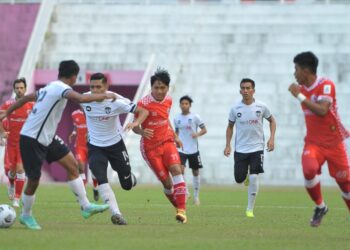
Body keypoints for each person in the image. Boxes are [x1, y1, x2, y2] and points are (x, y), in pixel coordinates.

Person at [0, 60, 115, 230]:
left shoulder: (49, 87)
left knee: (73, 166)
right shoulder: (61, 88)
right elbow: (81, 98)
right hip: (32, 138)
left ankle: (85, 206)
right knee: (34, 179)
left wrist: (8, 112)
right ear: (74, 76)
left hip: (47, 137)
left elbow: (29, 96)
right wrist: (106, 95)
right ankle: (26, 215)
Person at [288, 51, 350, 227]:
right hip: (314, 143)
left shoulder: (326, 85)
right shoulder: (302, 89)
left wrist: (299, 96)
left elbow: (322, 111)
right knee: (309, 170)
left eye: (296, 69)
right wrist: (300, 94)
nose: (294, 73)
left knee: (346, 185)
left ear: (306, 71)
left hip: (334, 144)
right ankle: (320, 206)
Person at [80, 72, 149, 225]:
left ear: (106, 87)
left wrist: (136, 123)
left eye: (99, 87)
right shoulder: (83, 99)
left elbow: (143, 111)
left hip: (116, 145)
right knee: (101, 178)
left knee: (126, 185)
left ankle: (129, 177)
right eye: (92, 87)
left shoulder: (117, 100)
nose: (95, 90)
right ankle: (116, 214)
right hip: (95, 146)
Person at [133, 68, 188, 224]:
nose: (159, 91)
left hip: (167, 141)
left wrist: (175, 136)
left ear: (168, 88)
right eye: (156, 88)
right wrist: (142, 132)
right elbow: (136, 126)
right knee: (167, 183)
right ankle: (178, 206)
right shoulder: (143, 104)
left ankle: (182, 210)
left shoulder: (169, 100)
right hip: (150, 148)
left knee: (177, 170)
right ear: (151, 88)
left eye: (162, 87)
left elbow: (165, 118)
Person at [224, 78, 276, 218]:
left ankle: (249, 209)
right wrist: (228, 144)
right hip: (240, 149)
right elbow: (230, 127)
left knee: (254, 177)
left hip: (257, 148)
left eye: (248, 88)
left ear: (253, 90)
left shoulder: (262, 106)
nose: (245, 91)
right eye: (243, 88)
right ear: (240, 90)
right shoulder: (235, 108)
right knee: (239, 179)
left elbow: (272, 121)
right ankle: (245, 176)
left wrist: (271, 138)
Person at [0, 78, 34, 207]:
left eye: (21, 88)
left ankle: (17, 199)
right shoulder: (8, 104)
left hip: (25, 144)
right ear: (14, 89)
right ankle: (12, 184)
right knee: (11, 172)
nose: (19, 90)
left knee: (20, 169)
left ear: (25, 89)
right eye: (17, 88)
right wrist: (2, 133)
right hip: (11, 144)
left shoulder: (31, 105)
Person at [174, 95, 207, 205]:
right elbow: (176, 132)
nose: (184, 105)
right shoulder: (177, 118)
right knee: (180, 169)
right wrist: (176, 140)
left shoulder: (195, 117)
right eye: (182, 103)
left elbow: (204, 130)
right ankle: (186, 192)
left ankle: (196, 196)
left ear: (190, 105)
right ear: (179, 105)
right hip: (181, 149)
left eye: (186, 103)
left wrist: (197, 134)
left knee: (195, 171)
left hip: (193, 149)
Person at [69, 108, 99, 201]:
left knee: (94, 169)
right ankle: (83, 193)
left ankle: (95, 188)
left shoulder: (94, 112)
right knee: (81, 167)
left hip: (92, 146)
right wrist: (73, 133)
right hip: (80, 146)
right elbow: (75, 125)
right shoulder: (74, 113)